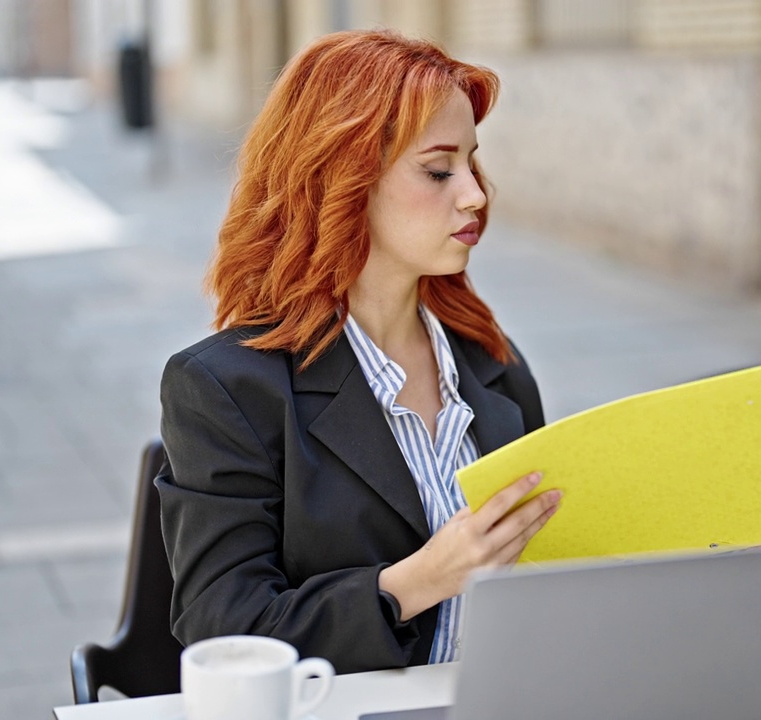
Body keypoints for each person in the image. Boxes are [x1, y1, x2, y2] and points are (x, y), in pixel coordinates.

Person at [156, 30, 564, 675]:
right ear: (343, 180)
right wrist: (418, 581)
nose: (474, 195)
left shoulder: (492, 361)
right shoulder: (226, 389)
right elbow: (223, 625)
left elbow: (556, 564)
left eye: (471, 162)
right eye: (438, 170)